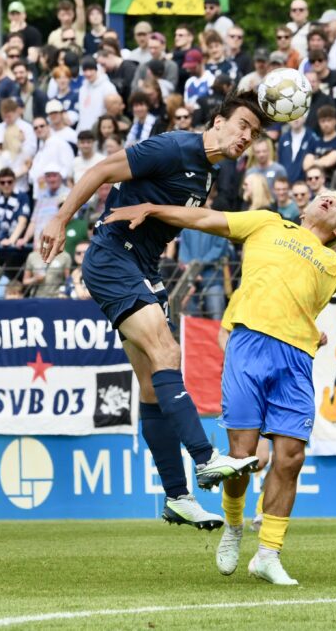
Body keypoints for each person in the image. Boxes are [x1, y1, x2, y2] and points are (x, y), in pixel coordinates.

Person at [106, 195, 336, 584]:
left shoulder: (333, 262)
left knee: (291, 457)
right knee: (242, 456)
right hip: (248, 346)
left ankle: (268, 554)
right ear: (304, 211)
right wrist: (152, 209)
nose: (330, 199)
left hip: (296, 359)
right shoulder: (266, 222)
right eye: (324, 197)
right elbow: (202, 218)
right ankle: (234, 527)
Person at [38, 92, 269, 530]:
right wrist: (61, 218)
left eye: (254, 134)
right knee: (168, 352)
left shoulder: (208, 174)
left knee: (150, 385)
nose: (246, 137)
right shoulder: (173, 147)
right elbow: (102, 170)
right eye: (242, 125)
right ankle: (206, 458)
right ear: (218, 122)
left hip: (143, 268)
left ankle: (177, 497)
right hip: (112, 258)